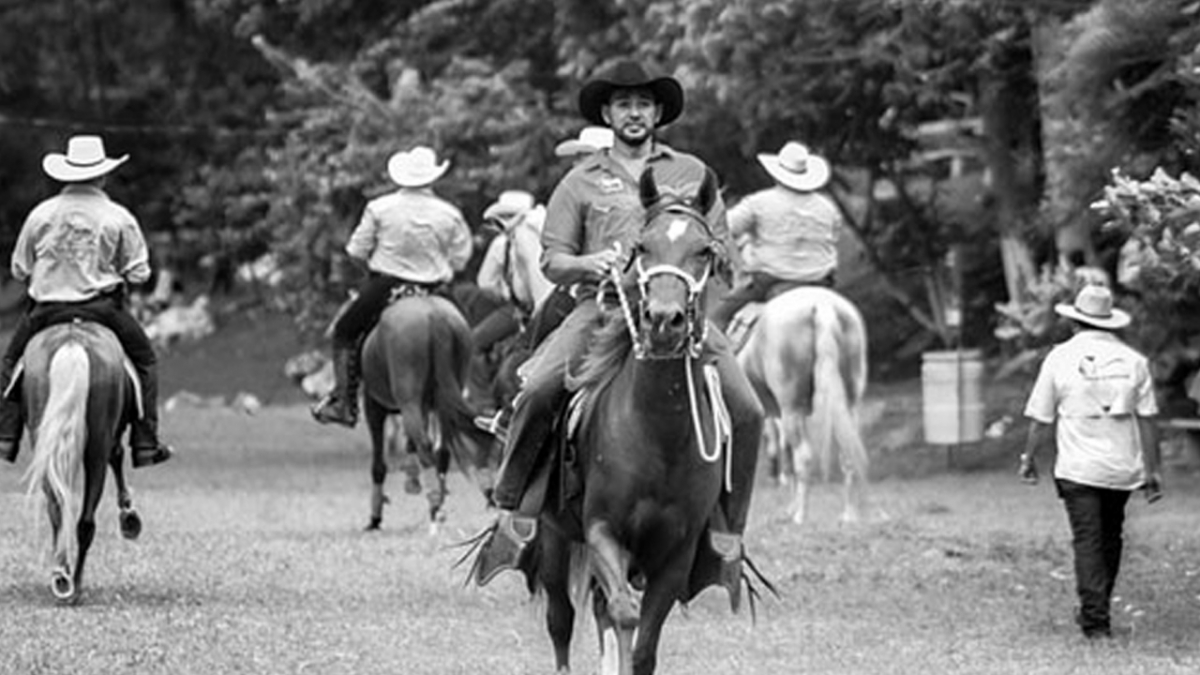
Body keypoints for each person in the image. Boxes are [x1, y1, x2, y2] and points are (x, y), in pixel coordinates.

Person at [473, 59, 765, 589]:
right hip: (602, 308)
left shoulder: (693, 173)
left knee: (748, 409)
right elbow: (552, 261)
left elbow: (721, 251)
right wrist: (591, 263)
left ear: (658, 113)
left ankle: (728, 536)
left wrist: (694, 259)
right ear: (607, 114)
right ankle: (511, 513)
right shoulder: (579, 181)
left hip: (680, 315)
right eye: (624, 104)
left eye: (644, 105)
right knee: (537, 388)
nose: (634, 113)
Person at [0, 135, 172, 467]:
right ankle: (145, 443)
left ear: (66, 172)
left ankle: (6, 436)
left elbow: (19, 268)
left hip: (46, 312)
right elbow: (139, 274)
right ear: (102, 175)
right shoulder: (118, 216)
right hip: (102, 310)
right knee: (146, 361)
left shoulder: (41, 214)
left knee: (10, 362)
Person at [1019, 283, 1164, 639]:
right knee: (1110, 536)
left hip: (1078, 468)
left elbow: (1041, 417)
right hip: (1121, 466)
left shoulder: (1059, 358)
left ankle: (1095, 620)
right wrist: (1152, 469)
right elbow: (1147, 420)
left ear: (1074, 322)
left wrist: (1029, 457)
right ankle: (1095, 610)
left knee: (1088, 539)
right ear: (1109, 321)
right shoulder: (1134, 362)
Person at [311, 145, 472, 427]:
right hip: (436, 287)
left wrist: (370, 269)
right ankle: (466, 389)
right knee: (467, 332)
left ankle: (344, 402)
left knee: (345, 331)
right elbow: (460, 259)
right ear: (432, 177)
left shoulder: (380, 208)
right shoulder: (450, 213)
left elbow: (356, 251)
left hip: (387, 286)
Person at [710, 141, 843, 331]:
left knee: (716, 319)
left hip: (771, 279)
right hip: (819, 281)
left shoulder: (758, 203)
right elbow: (833, 237)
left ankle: (714, 348)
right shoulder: (828, 208)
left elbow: (724, 228)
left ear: (776, 174)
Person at [472, 190, 553, 355]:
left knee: (474, 342)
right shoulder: (549, 237)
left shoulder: (503, 243)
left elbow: (486, 284)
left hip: (522, 311)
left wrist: (506, 295)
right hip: (553, 307)